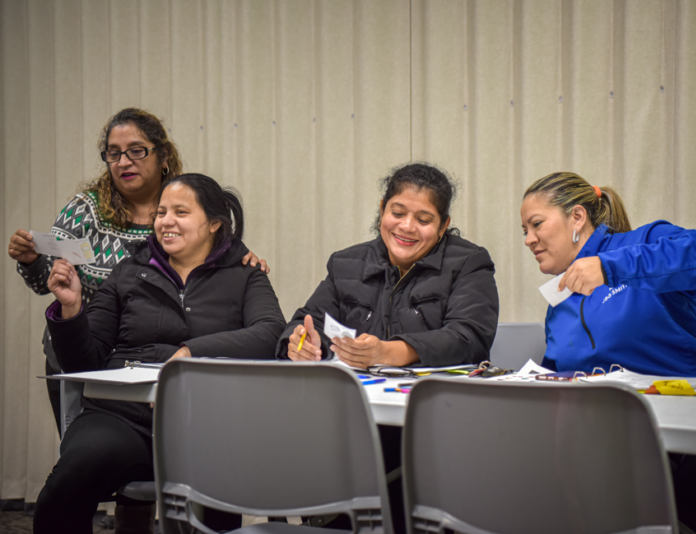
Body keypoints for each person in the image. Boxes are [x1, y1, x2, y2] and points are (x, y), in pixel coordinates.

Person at [520, 171, 696, 534]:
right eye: (525, 231)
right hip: (645, 445)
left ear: (577, 218)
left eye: (536, 224)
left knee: (682, 507)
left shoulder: (641, 244)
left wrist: (611, 268)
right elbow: (561, 375)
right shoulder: (560, 304)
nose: (528, 239)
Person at [33, 174, 286, 534]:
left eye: (181, 212)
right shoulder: (128, 272)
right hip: (122, 418)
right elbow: (84, 362)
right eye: (161, 212)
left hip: (209, 421)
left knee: (217, 495)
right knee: (67, 484)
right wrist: (72, 309)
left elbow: (269, 333)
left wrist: (190, 354)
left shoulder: (245, 275)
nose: (166, 221)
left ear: (214, 223)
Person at [7, 108, 268, 434]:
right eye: (113, 154)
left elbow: (217, 251)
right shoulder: (85, 210)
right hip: (85, 351)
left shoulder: (184, 200)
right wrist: (32, 261)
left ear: (163, 156)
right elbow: (48, 282)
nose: (124, 162)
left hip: (161, 362)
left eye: (136, 151)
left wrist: (244, 258)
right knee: (86, 452)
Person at [276, 162, 499, 368]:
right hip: (359, 397)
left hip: (438, 398)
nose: (407, 226)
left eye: (423, 220)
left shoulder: (469, 263)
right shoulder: (345, 264)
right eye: (398, 213)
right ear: (382, 209)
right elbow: (310, 321)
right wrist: (303, 344)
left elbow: (469, 338)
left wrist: (387, 352)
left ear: (443, 226)